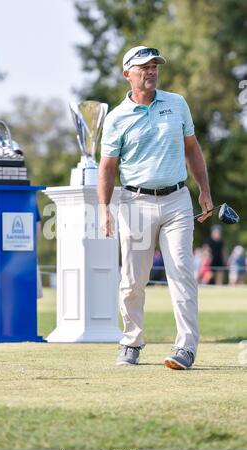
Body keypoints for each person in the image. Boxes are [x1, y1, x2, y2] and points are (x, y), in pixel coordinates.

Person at [98, 45, 213, 370]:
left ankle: (186, 348)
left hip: (177, 200)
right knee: (133, 280)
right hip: (135, 202)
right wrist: (105, 208)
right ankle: (131, 342)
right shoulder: (117, 118)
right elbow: (107, 167)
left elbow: (193, 150)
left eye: (154, 66)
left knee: (181, 272)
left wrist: (204, 190)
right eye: (143, 67)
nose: (151, 72)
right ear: (127, 74)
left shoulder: (177, 104)